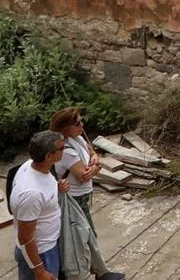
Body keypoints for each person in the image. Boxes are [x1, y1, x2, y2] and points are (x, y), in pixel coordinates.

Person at [49, 109, 123, 280]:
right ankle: (94, 272)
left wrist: (95, 159)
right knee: (80, 237)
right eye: (77, 123)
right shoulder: (66, 150)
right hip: (73, 199)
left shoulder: (79, 139)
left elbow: (91, 153)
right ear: (65, 128)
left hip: (83, 196)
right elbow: (84, 176)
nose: (82, 125)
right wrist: (97, 167)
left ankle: (99, 271)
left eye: (81, 121)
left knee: (87, 234)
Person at [11, 130, 68, 280]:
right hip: (42, 253)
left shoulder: (30, 165)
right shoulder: (32, 194)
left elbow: (42, 190)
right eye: (61, 148)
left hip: (49, 246)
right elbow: (25, 238)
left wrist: (56, 187)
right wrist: (40, 271)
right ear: (49, 156)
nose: (65, 150)